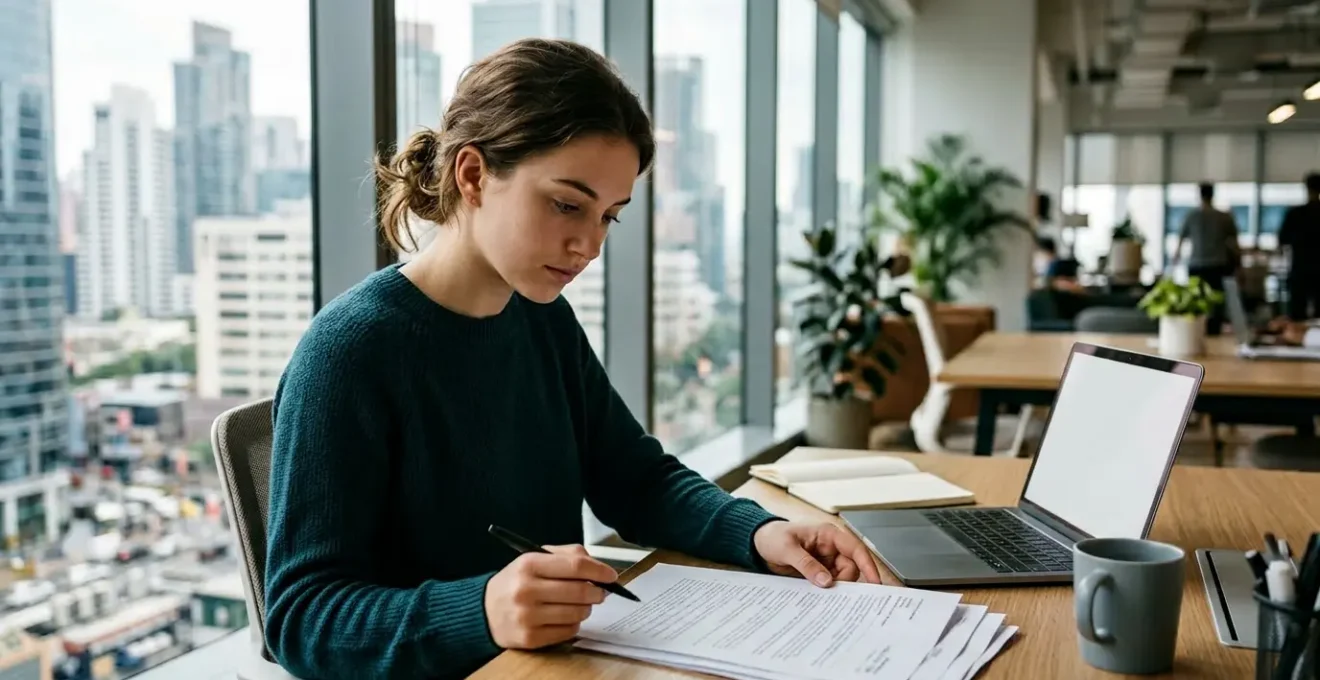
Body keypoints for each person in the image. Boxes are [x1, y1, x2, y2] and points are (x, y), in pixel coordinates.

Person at [261, 39, 881, 680]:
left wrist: (756, 532)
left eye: (609, 216)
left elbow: (633, 478)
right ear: (472, 175)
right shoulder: (349, 353)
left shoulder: (541, 316)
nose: (589, 244)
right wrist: (479, 611)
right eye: (566, 204)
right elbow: (303, 618)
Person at [1173, 182, 1241, 335]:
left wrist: (1175, 259)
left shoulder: (1191, 216)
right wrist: (1239, 264)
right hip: (1218, 263)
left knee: (1197, 298)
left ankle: (1197, 329)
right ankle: (1214, 330)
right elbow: (1234, 243)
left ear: (1200, 194)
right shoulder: (1224, 217)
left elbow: (1181, 239)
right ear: (1213, 194)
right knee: (1216, 301)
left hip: (1196, 263)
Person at [1278, 173, 1320, 321]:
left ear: (1306, 188)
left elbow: (1282, 241)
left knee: (1297, 313)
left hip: (1300, 267)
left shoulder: (1295, 214)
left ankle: (1296, 341)